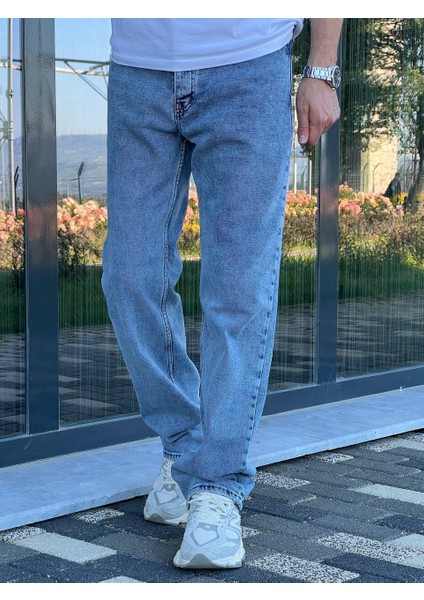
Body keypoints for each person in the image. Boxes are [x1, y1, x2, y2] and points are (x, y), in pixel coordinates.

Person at [102, 18, 342, 570]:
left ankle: (217, 484)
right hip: (138, 70)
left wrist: (321, 69)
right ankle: (183, 445)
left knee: (237, 290)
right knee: (129, 276)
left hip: (250, 63)